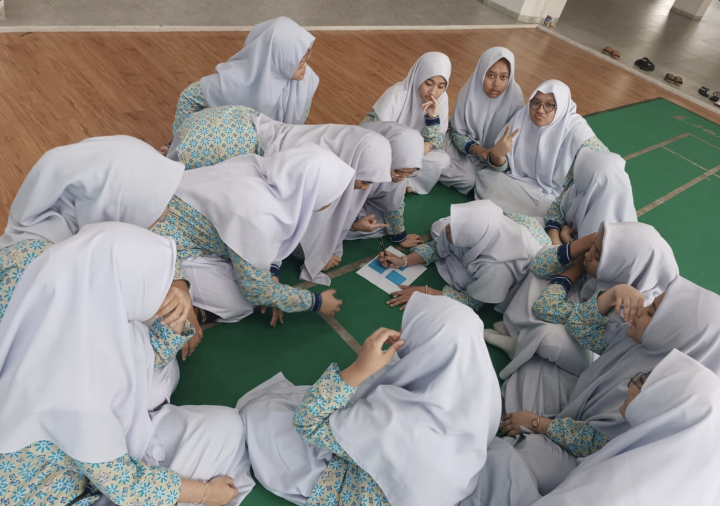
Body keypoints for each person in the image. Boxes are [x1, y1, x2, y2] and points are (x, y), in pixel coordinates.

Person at [0, 223, 251, 506]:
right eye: (155, 285)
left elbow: (137, 359)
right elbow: (127, 487)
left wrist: (177, 313)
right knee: (223, 434)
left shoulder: (58, 285)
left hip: (85, 461)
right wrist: (208, 494)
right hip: (72, 491)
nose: (161, 292)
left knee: (223, 426)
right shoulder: (77, 395)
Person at [237, 294, 501, 506]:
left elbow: (306, 423)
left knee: (261, 413)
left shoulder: (391, 424)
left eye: (410, 330)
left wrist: (359, 368)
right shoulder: (481, 399)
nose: (402, 332)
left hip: (346, 488)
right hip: (414, 489)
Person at [501, 272, 720, 495]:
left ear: (675, 333)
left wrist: (537, 423)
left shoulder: (661, 392)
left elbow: (593, 442)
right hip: (579, 414)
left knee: (526, 452)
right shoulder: (641, 343)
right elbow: (578, 326)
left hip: (588, 461)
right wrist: (611, 296)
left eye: (651, 312)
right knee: (539, 360)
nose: (641, 310)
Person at [0, 135, 197, 374]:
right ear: (110, 205)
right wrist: (173, 325)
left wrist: (177, 285)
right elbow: (117, 367)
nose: (161, 218)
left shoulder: (40, 235)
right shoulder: (62, 275)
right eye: (154, 209)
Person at [151, 145, 352, 328]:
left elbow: (273, 239)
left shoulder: (264, 170)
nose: (334, 199)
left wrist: (272, 274)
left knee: (249, 273)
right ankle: (178, 311)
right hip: (165, 240)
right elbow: (257, 290)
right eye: (333, 192)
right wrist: (316, 302)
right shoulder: (259, 215)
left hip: (164, 211)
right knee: (239, 303)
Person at [535, 350, 720, 505]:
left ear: (660, 402)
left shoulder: (618, 485)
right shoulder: (686, 479)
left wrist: (537, 423)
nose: (629, 385)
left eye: (642, 382)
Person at [379, 200, 551, 311]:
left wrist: (425, 292)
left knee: (462, 281)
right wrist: (403, 261)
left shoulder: (498, 268)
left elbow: (471, 302)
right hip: (520, 226)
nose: (448, 228)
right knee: (439, 228)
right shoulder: (481, 233)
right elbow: (436, 246)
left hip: (531, 254)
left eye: (453, 229)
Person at [475, 80, 607, 216]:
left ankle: (534, 216)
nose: (540, 110)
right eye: (536, 102)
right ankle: (534, 218)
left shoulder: (575, 128)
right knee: (487, 177)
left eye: (549, 105)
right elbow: (503, 167)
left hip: (554, 196)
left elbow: (605, 161)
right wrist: (498, 156)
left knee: (558, 208)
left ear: (562, 106)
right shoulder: (523, 117)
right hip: (519, 184)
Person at [171, 16, 317, 136]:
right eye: (299, 61)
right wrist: (178, 145)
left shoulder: (306, 81)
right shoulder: (234, 80)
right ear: (278, 59)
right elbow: (189, 97)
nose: (305, 65)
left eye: (306, 57)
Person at [360, 52, 452, 195]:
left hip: (415, 152)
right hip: (387, 151)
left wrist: (433, 117)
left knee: (442, 160)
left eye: (441, 87)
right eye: (428, 83)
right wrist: (402, 156)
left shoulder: (442, 99)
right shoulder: (396, 94)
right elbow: (370, 134)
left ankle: (405, 181)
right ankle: (395, 180)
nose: (433, 92)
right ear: (418, 76)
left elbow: (437, 142)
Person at [440, 47, 524, 197]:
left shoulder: (515, 98)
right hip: (462, 151)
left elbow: (514, 147)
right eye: (490, 75)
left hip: (496, 161)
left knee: (500, 184)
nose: (496, 83)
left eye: (503, 77)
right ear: (481, 72)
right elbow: (456, 133)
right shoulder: (469, 91)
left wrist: (497, 155)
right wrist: (479, 150)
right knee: (467, 178)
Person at [544, 148, 636, 245]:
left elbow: (594, 253)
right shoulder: (584, 189)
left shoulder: (608, 219)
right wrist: (554, 236)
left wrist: (565, 239)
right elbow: (555, 208)